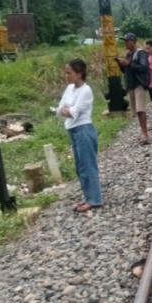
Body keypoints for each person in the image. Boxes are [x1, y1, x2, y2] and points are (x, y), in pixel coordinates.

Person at [55, 59, 103, 213]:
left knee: (88, 166)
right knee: (80, 166)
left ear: (79, 73)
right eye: (66, 72)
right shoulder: (69, 88)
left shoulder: (86, 90)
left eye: (69, 72)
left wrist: (66, 110)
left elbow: (72, 113)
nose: (66, 75)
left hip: (83, 129)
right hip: (73, 130)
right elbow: (60, 109)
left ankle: (94, 200)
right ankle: (88, 197)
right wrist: (65, 110)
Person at [116, 33, 151, 144]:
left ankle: (145, 133)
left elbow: (144, 67)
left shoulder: (141, 53)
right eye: (124, 41)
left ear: (133, 41)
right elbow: (126, 70)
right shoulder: (128, 55)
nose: (125, 43)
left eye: (127, 41)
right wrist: (121, 65)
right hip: (131, 85)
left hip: (139, 84)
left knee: (141, 110)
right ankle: (142, 132)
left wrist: (129, 64)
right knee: (136, 111)